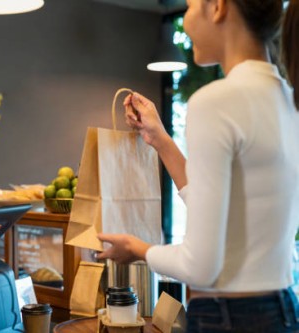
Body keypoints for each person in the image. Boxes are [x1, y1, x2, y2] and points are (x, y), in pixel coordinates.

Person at [97, 0, 299, 332]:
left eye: (189, 5)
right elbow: (223, 209)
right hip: (282, 311)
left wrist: (136, 249)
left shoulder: (216, 101)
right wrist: (159, 138)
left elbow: (201, 265)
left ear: (217, 7)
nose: (186, 21)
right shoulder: (288, 99)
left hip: (230, 318)